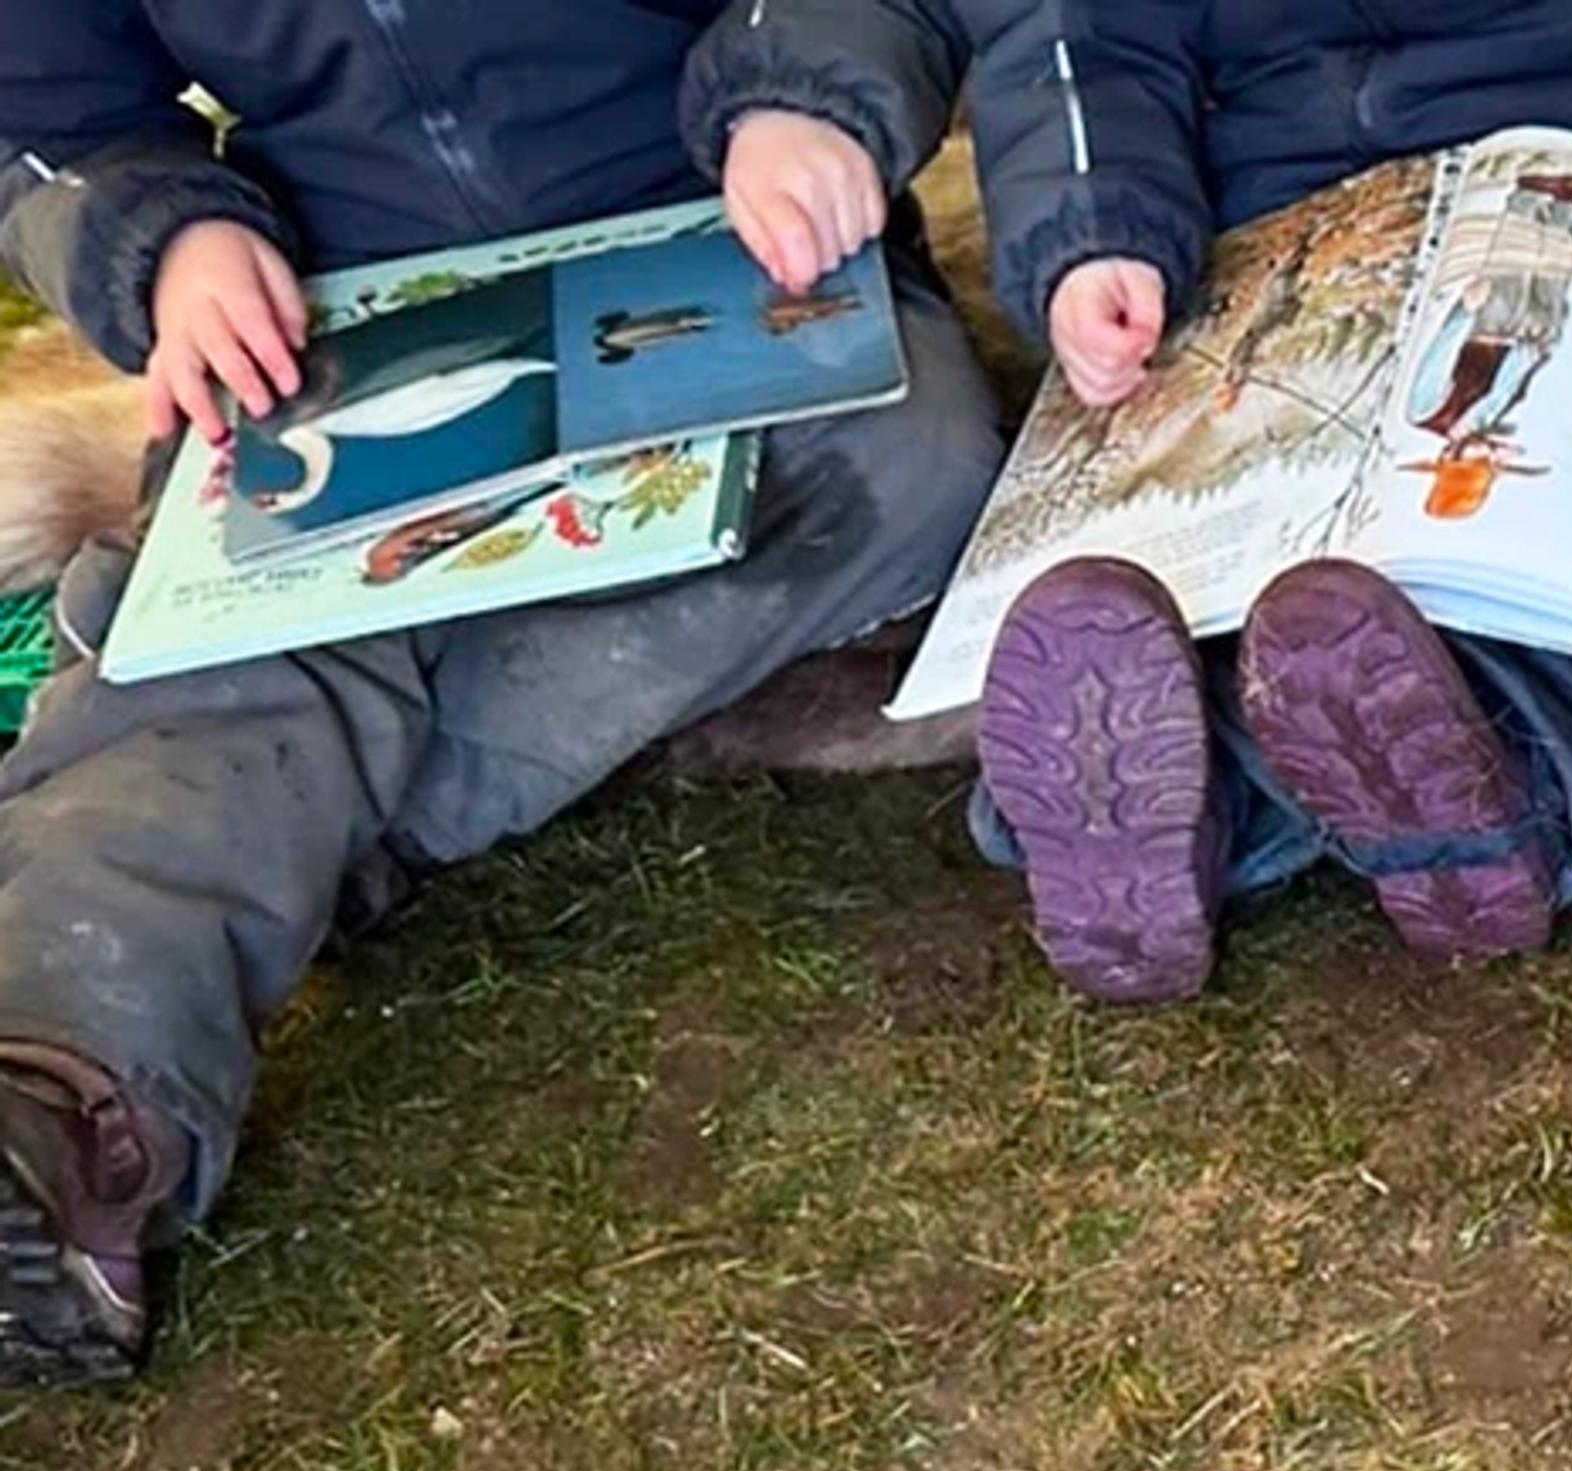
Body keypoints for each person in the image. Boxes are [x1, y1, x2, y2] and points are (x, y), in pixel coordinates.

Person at [0, 3, 1010, 1391]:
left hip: (724, 257)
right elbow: (51, 115)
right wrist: (162, 241)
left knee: (921, 466)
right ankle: (64, 1103)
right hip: (340, 328)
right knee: (212, 645)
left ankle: (322, 824)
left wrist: (808, 92)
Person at [929, 0, 1572, 1004]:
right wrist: (1096, 235)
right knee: (1226, 530)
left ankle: (1497, 793)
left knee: (1544, 518)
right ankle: (1153, 797)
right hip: (1281, 228)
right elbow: (1087, 37)